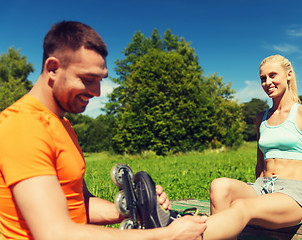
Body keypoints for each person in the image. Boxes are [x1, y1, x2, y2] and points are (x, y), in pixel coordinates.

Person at [0, 21, 206, 240]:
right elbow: (54, 233)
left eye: (100, 81)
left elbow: (80, 204)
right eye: (88, 79)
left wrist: (134, 208)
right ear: (53, 68)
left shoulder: (62, 125)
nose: (97, 92)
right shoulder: (22, 126)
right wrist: (167, 236)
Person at [201, 54, 302, 240]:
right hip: (261, 188)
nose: (267, 82)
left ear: (288, 75)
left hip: (292, 195)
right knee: (219, 185)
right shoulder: (261, 118)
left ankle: (196, 233)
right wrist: (258, 192)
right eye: (263, 78)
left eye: (273, 75)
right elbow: (260, 163)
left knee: (240, 206)